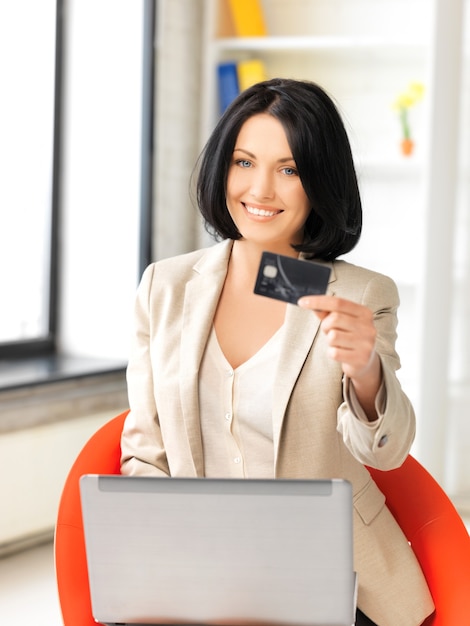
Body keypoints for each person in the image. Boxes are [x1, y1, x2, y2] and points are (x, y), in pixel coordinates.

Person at [120, 78, 434, 626]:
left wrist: (366, 372)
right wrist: (174, 563)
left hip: (326, 577)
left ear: (320, 183)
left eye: (288, 170)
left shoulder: (359, 294)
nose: (260, 190)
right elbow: (146, 454)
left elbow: (387, 452)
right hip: (200, 569)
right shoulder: (165, 288)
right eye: (244, 162)